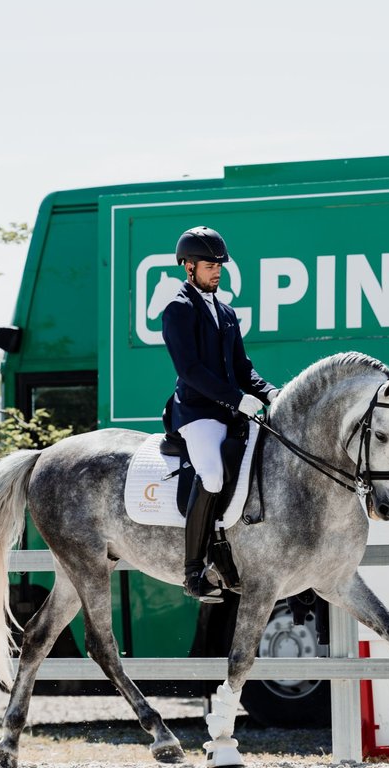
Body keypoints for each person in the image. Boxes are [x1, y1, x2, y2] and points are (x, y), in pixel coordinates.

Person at [162, 226, 279, 601]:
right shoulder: (178, 310)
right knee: (212, 476)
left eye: (219, 266)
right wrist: (235, 398)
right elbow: (190, 370)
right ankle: (194, 571)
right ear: (189, 267)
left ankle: (230, 552)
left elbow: (243, 367)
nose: (216, 271)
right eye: (210, 265)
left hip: (230, 411)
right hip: (197, 413)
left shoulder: (226, 311)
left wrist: (270, 392)